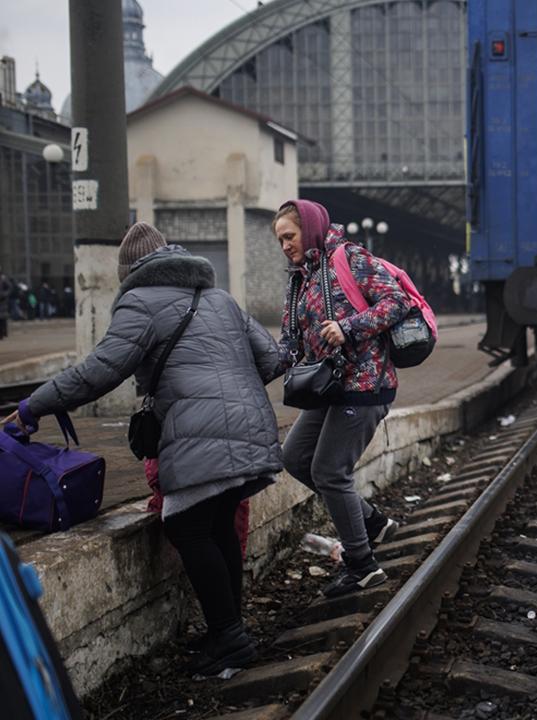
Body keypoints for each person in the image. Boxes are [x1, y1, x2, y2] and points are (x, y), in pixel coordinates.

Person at [4, 222, 283, 677]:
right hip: (253, 429)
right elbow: (270, 360)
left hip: (203, 434)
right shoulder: (220, 298)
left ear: (129, 270)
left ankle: (230, 637)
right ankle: (227, 630)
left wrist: (34, 406)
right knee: (215, 526)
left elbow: (99, 371)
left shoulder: (140, 300)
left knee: (188, 526)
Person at [274, 199, 408, 598]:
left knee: (331, 472)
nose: (284, 245)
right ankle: (371, 524)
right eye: (279, 239)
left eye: (290, 236)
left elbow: (396, 301)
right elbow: (288, 341)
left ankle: (362, 565)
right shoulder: (300, 278)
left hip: (366, 385)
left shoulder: (348, 258)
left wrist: (348, 327)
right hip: (329, 387)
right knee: (295, 458)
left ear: (310, 229)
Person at [0, 272, 11, 339]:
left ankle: (3, 333)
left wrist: (4, 294)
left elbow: (10, 287)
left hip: (2, 302)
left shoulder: (3, 279)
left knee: (2, 320)